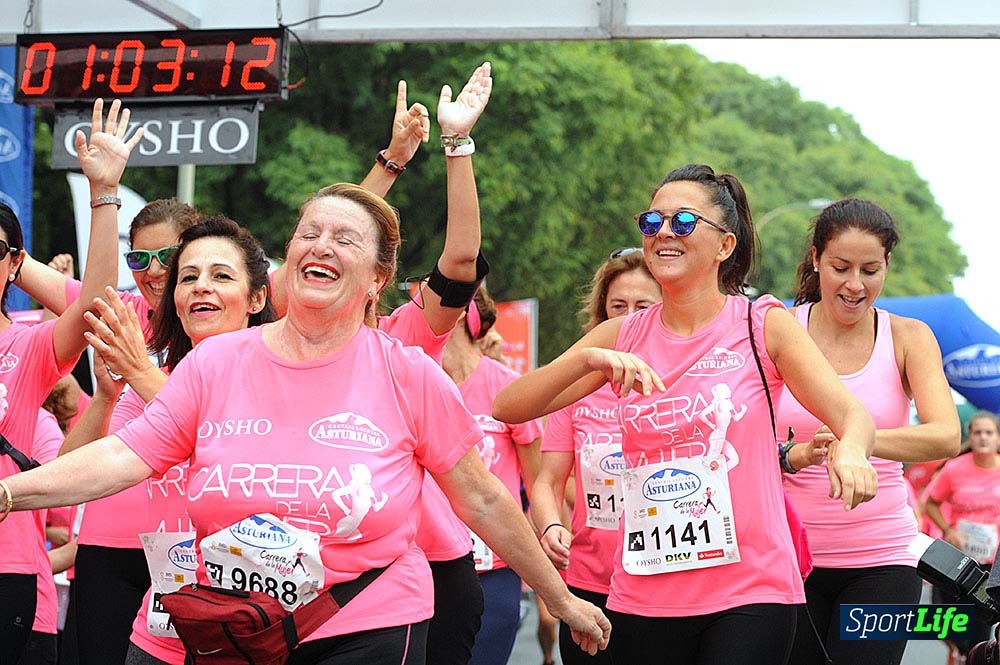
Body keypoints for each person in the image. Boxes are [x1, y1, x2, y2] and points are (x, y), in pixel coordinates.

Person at [0, 181, 610, 665]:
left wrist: (559, 598)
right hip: (235, 628)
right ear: (286, 262)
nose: (320, 245)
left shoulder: (407, 373)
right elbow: (121, 457)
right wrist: (9, 493)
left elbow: (482, 498)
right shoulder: (217, 361)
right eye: (308, 233)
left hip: (365, 623)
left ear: (376, 278)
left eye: (344, 239)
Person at [494, 163, 879, 665]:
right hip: (643, 591)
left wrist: (851, 451)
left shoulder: (761, 324)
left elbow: (853, 415)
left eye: (683, 221)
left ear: (724, 245)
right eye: (652, 223)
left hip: (750, 589)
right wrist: (585, 359)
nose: (664, 234)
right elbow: (508, 406)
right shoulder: (623, 335)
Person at [777, 198, 960, 665]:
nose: (855, 285)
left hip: (884, 559)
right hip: (785, 559)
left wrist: (855, 443)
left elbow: (944, 435)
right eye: (840, 267)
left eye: (870, 270)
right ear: (816, 258)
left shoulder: (909, 337)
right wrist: (794, 453)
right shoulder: (776, 329)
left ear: (887, 266)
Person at [0, 98, 142, 662]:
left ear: (14, 266)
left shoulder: (24, 346)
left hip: (8, 568)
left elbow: (93, 308)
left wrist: (103, 194)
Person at [532, 247, 660, 665]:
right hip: (590, 581)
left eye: (643, 306)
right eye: (618, 306)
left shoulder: (686, 381)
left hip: (666, 580)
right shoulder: (578, 385)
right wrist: (551, 525)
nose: (629, 317)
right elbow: (547, 481)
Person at [439, 287, 545, 665]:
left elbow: (538, 483)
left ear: (465, 318)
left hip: (495, 565)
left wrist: (546, 561)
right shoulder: (418, 381)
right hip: (434, 564)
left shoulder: (506, 385)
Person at [925, 412, 1000, 660]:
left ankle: (972, 655)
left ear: (997, 438)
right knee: (949, 617)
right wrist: (948, 530)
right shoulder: (954, 469)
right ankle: (958, 651)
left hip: (992, 559)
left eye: (989, 432)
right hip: (959, 557)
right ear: (970, 436)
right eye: (977, 432)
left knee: (983, 620)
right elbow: (931, 503)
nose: (983, 438)